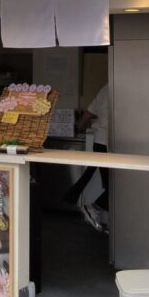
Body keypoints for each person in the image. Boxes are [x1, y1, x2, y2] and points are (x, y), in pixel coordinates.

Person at [63, 84, 110, 232]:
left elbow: (89, 112)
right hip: (109, 142)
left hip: (100, 141)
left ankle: (80, 198)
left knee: (110, 184)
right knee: (115, 186)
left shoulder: (105, 88)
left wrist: (79, 127)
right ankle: (93, 206)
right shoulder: (119, 88)